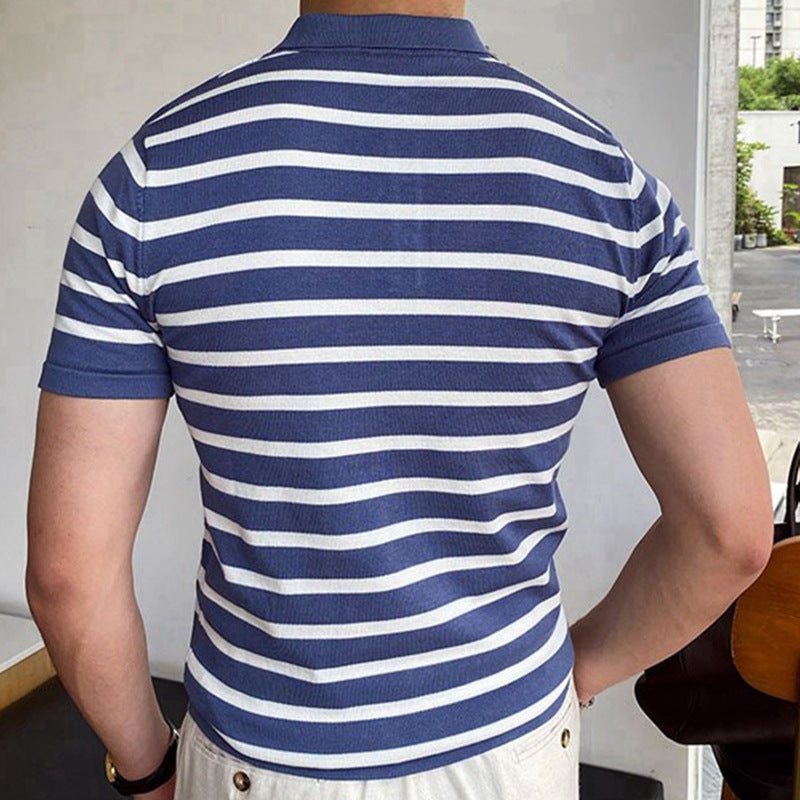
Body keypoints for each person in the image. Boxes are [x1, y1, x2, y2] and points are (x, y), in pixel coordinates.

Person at [26, 1, 775, 799]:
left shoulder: (155, 178)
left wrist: (147, 769)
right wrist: (575, 667)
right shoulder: (605, 185)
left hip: (260, 759)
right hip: (511, 749)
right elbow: (729, 532)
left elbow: (69, 575)